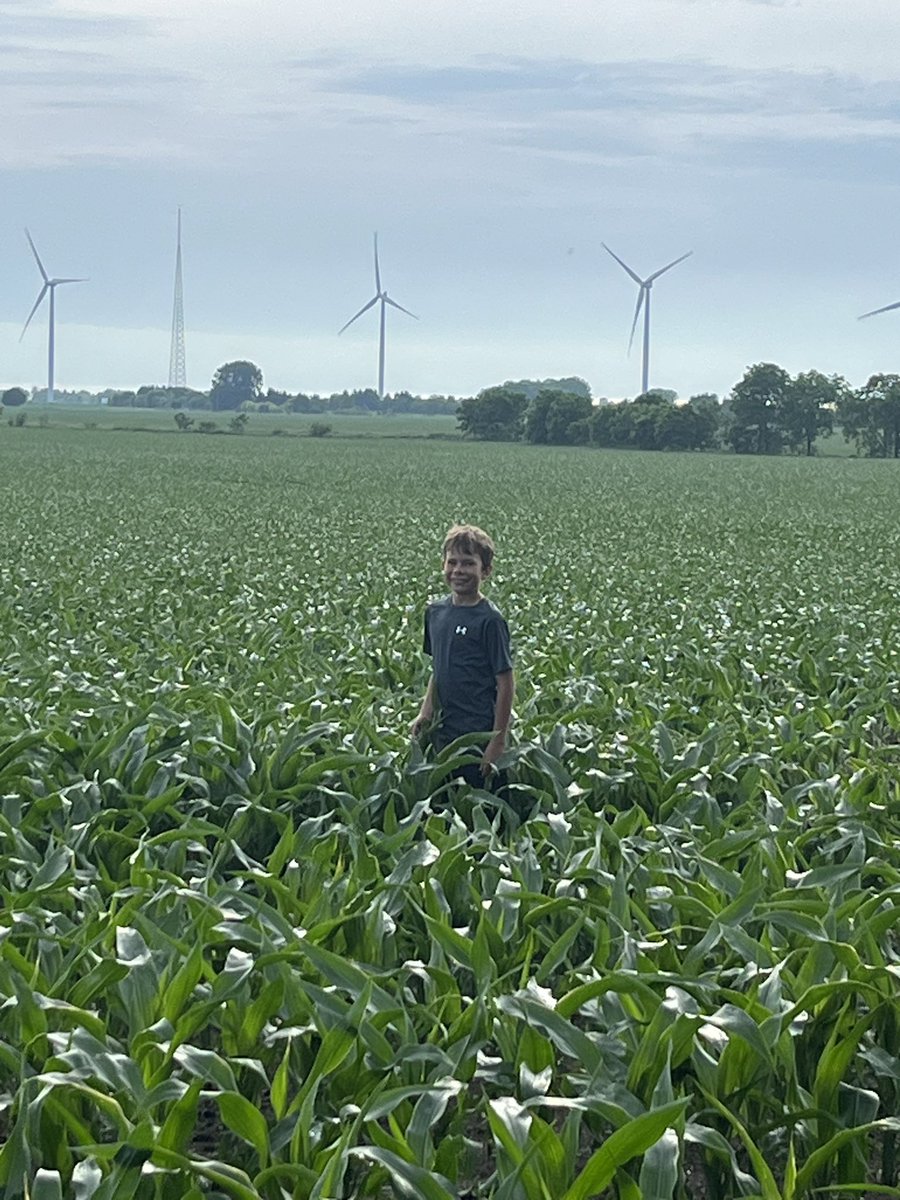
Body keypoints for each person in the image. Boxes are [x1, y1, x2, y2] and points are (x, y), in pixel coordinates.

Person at [411, 524, 514, 788]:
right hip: (444, 733)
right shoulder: (435, 612)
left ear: (486, 570)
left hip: (477, 735)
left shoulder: (490, 620)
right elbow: (439, 668)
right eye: (452, 562)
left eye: (468, 563)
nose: (458, 570)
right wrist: (426, 712)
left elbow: (505, 682)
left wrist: (497, 740)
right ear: (443, 565)